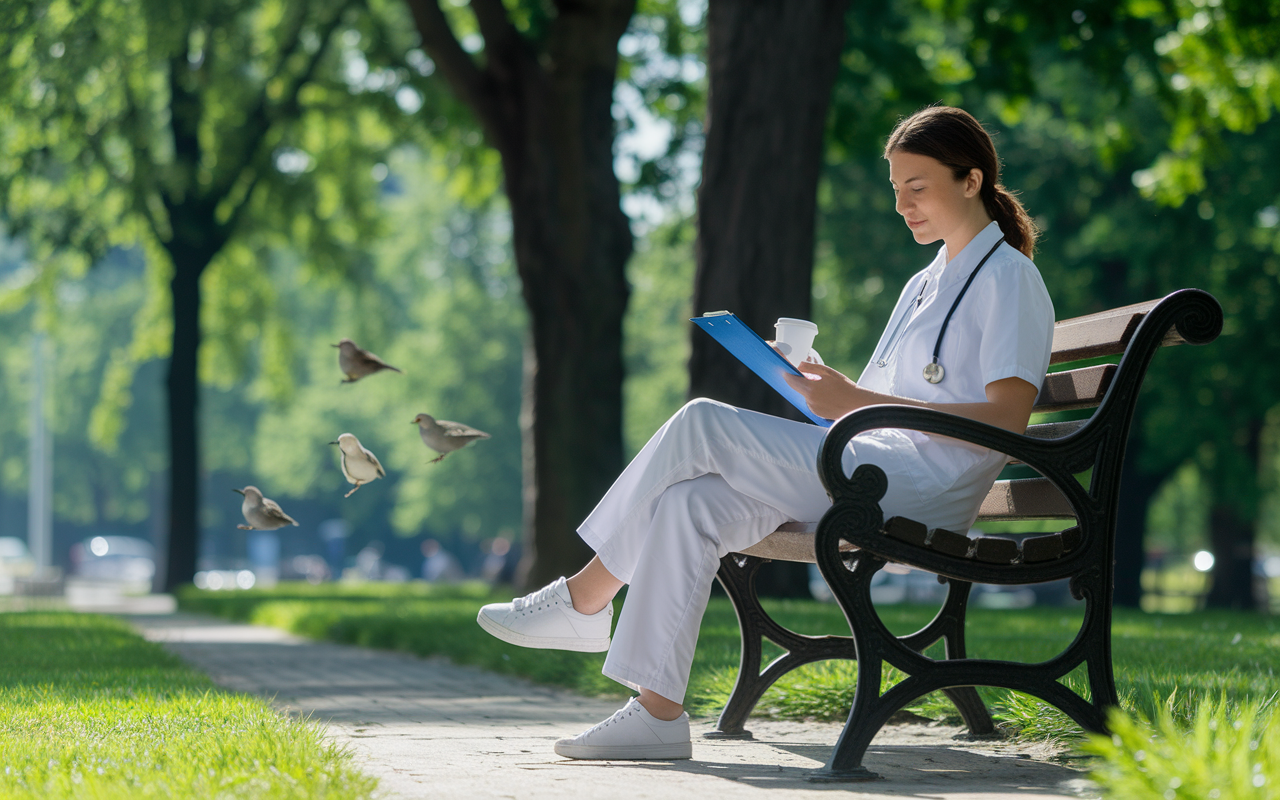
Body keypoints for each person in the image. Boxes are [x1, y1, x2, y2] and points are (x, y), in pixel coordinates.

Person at [476, 105, 1055, 761]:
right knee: (689, 503)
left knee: (699, 422)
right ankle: (657, 715)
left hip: (925, 487)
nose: (902, 206)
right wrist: (823, 390)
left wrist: (853, 398)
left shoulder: (1011, 278)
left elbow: (1009, 421)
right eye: (895, 190)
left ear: (971, 180)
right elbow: (878, 403)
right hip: (871, 465)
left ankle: (584, 601)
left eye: (916, 188)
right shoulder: (923, 283)